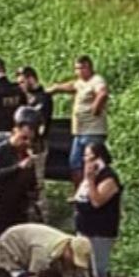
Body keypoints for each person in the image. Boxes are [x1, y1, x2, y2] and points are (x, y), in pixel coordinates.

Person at [0, 114, 41, 270]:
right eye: (24, 138)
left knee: (15, 253)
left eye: (30, 140)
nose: (26, 143)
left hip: (18, 211)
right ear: (15, 131)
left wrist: (33, 193)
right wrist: (18, 167)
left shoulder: (27, 155)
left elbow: (32, 184)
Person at [49, 54, 110, 183]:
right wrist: (55, 89)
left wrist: (96, 108)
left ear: (90, 68)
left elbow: (103, 93)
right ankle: (80, 192)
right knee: (75, 163)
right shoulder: (81, 82)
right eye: (77, 68)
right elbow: (72, 86)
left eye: (83, 68)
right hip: (79, 131)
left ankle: (95, 191)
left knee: (92, 163)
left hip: (92, 131)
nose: (80, 71)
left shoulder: (96, 80)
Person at [71, 140, 122, 277]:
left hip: (99, 232)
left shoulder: (108, 178)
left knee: (99, 271)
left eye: (88, 156)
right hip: (84, 229)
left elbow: (97, 201)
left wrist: (91, 180)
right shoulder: (90, 176)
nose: (85, 159)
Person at [0, 223, 93, 277]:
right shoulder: (43, 252)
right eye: (73, 259)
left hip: (31, 247)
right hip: (11, 245)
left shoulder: (63, 245)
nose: (72, 264)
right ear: (69, 249)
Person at [16, 64, 54, 152]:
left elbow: (41, 121)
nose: (20, 86)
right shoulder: (25, 97)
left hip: (37, 142)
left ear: (31, 79)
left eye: (22, 82)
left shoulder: (43, 98)